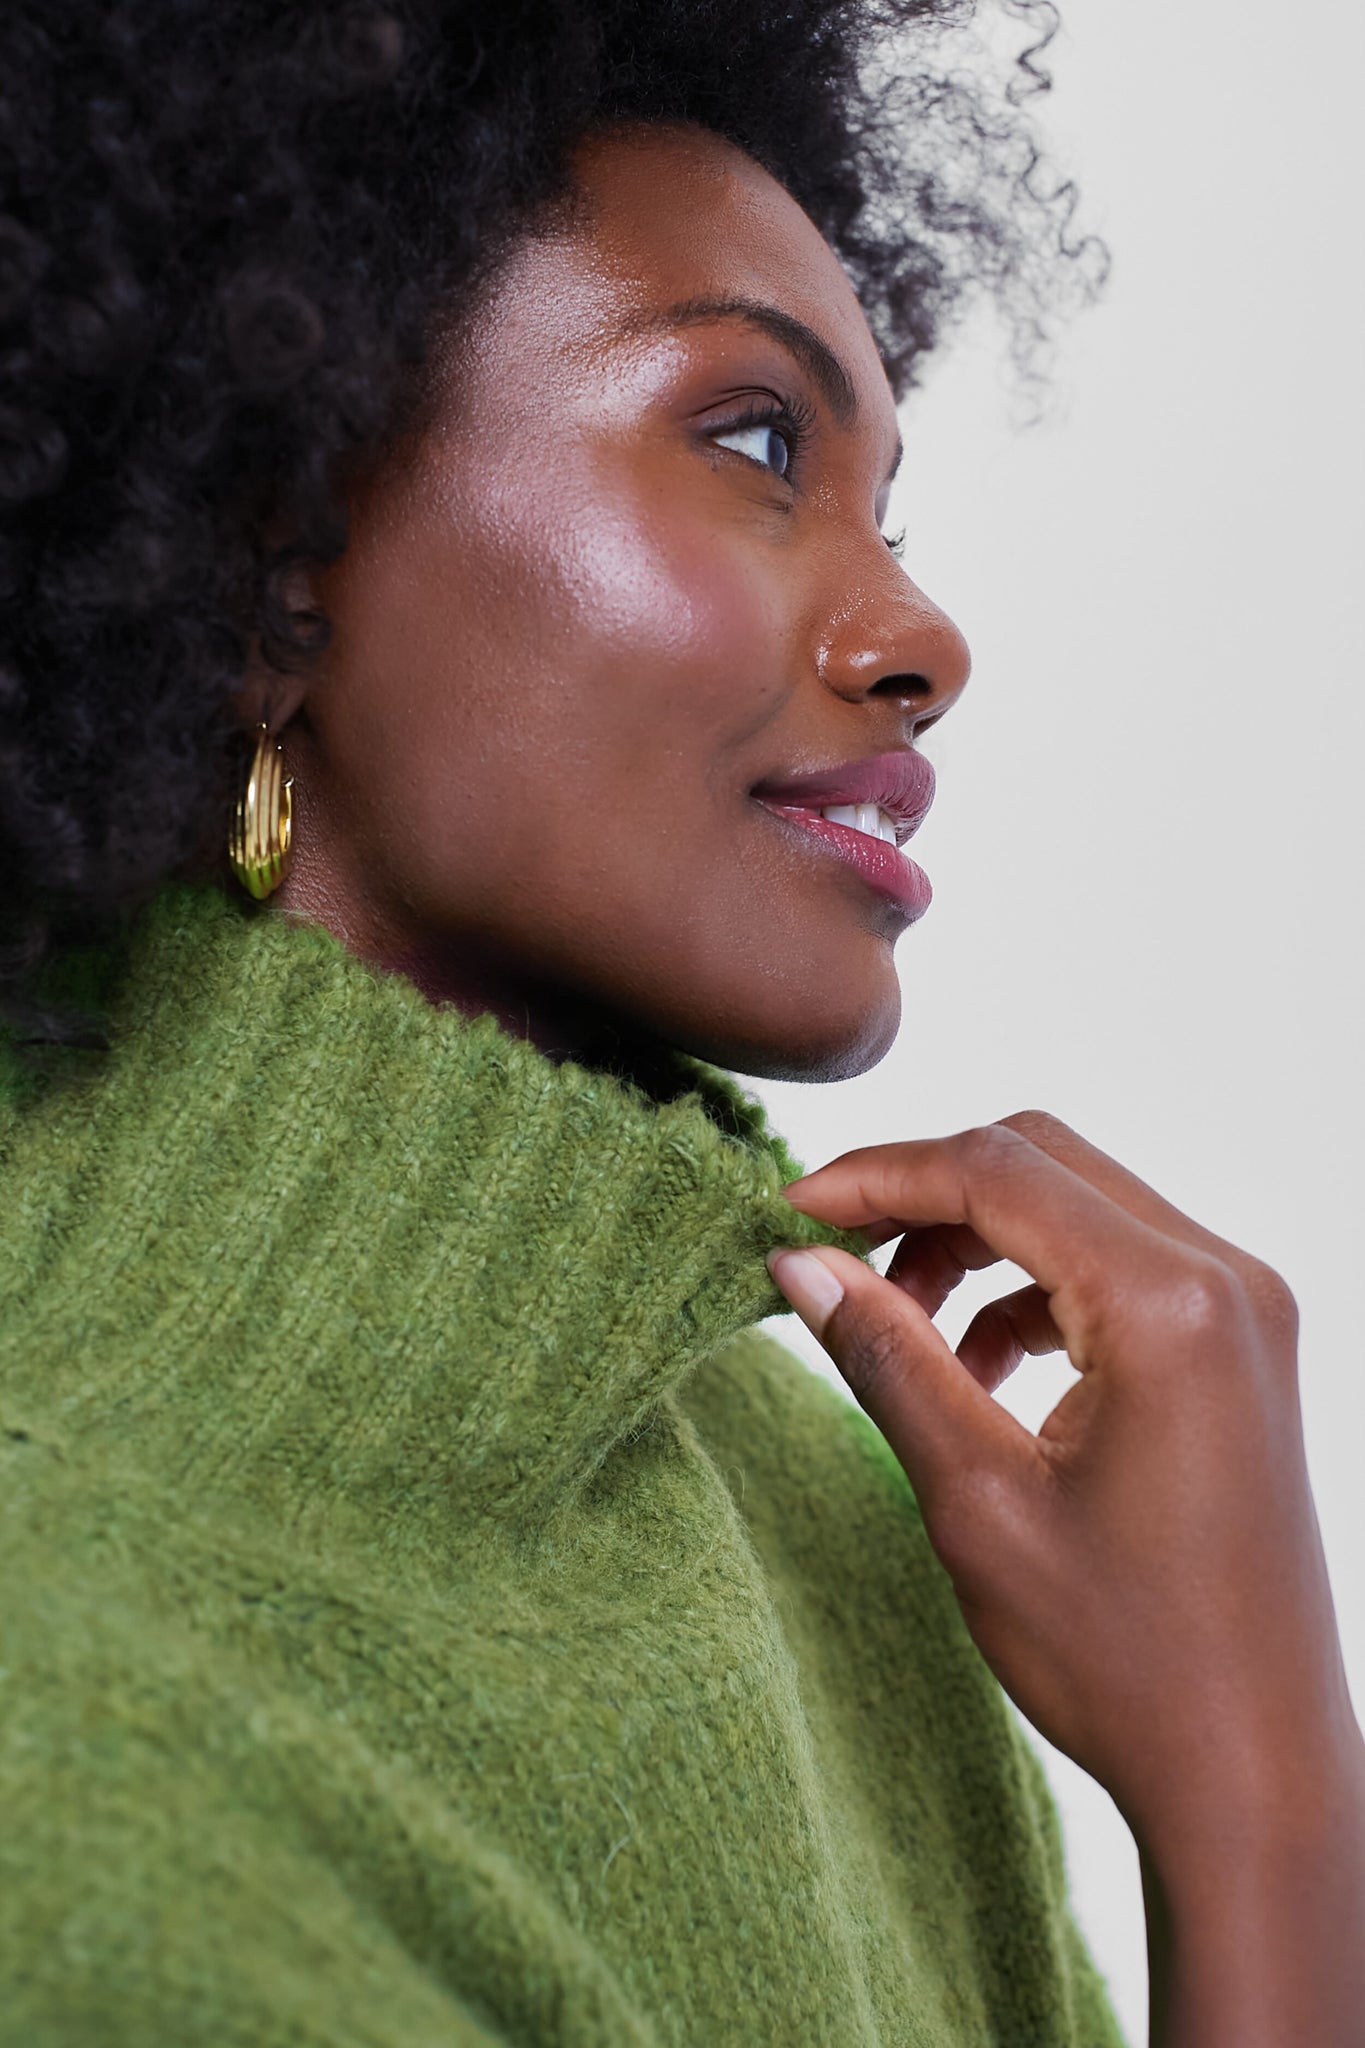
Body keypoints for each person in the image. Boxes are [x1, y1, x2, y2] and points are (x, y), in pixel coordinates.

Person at [0, 3, 1359, 2043]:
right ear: (270, 562)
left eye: (890, 511)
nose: (922, 638)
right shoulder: (70, 1738)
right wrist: (1264, 1822)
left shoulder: (813, 1508)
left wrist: (1246, 1772)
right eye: (754, 442)